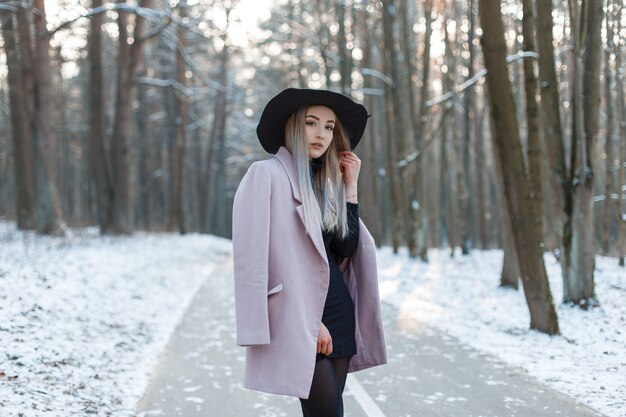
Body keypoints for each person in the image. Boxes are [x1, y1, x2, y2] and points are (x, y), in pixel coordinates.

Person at [232, 88, 387, 417]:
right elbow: (253, 258)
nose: (321, 133)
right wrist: (309, 322)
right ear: (292, 127)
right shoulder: (266, 175)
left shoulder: (326, 184)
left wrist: (350, 188)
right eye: (311, 123)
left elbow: (345, 249)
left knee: (332, 411)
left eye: (330, 127)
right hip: (300, 314)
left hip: (340, 312)